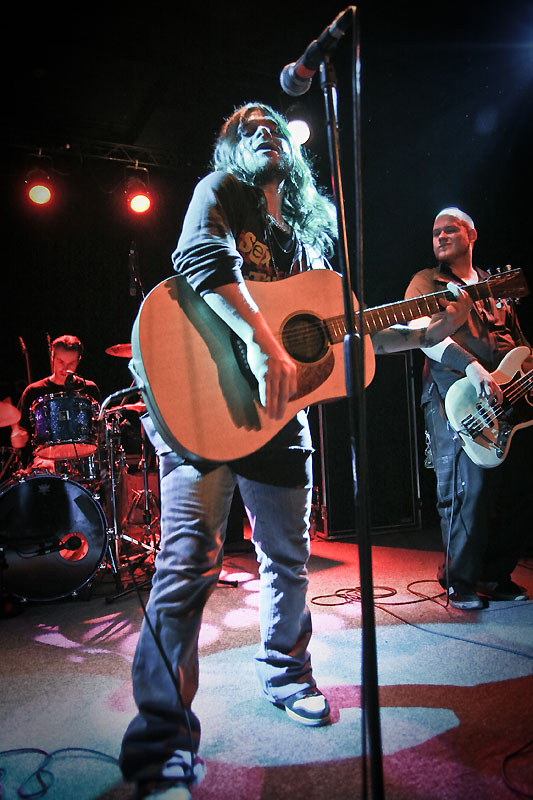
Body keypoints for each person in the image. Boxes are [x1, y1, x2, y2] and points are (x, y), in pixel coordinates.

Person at [119, 104, 473, 800]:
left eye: (272, 122)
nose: (263, 128)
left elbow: (339, 336)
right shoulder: (219, 194)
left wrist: (427, 329)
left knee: (288, 560)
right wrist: (257, 337)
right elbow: (197, 259)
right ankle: (159, 741)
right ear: (230, 147)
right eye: (245, 123)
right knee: (189, 562)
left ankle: (286, 674)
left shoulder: (312, 236)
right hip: (201, 399)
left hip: (278, 420)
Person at [405, 207, 533, 611]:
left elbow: (517, 341)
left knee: (517, 488)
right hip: (452, 398)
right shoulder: (427, 281)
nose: (440, 236)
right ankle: (459, 581)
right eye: (435, 232)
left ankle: (496, 575)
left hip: (508, 400)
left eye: (450, 230)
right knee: (467, 490)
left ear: (471, 235)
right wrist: (471, 365)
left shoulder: (496, 285)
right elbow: (422, 335)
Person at [14, 334, 101, 470]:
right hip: (44, 461)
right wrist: (17, 435)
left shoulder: (89, 389)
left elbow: (99, 428)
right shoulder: (33, 392)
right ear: (52, 358)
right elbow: (21, 429)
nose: (65, 368)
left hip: (84, 460)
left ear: (79, 360)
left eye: (71, 363)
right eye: (60, 361)